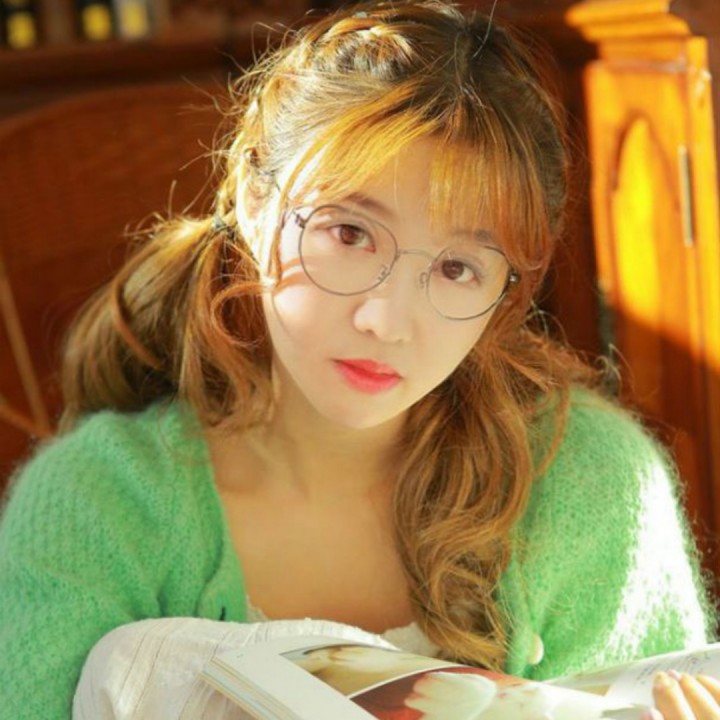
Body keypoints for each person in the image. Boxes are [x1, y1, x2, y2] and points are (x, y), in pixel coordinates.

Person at [0, 1, 716, 718]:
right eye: (349, 233)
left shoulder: (589, 484)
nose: (386, 322)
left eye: (457, 269)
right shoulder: (94, 507)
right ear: (254, 200)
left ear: (506, 292)